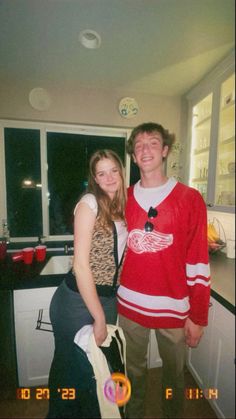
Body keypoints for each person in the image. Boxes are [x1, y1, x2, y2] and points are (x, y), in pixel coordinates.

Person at [117, 122, 211, 418]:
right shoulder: (124, 198)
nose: (146, 149)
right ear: (133, 155)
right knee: (132, 373)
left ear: (165, 150)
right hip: (130, 306)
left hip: (173, 308)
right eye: (139, 145)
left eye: (153, 143)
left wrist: (197, 317)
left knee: (173, 378)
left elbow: (198, 261)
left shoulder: (189, 198)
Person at [47, 149, 127, 418]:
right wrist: (100, 318)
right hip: (77, 303)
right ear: (94, 178)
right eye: (101, 173)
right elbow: (81, 267)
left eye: (113, 170)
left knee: (98, 372)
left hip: (106, 299)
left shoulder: (120, 208)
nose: (109, 177)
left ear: (121, 171)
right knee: (71, 372)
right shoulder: (90, 203)